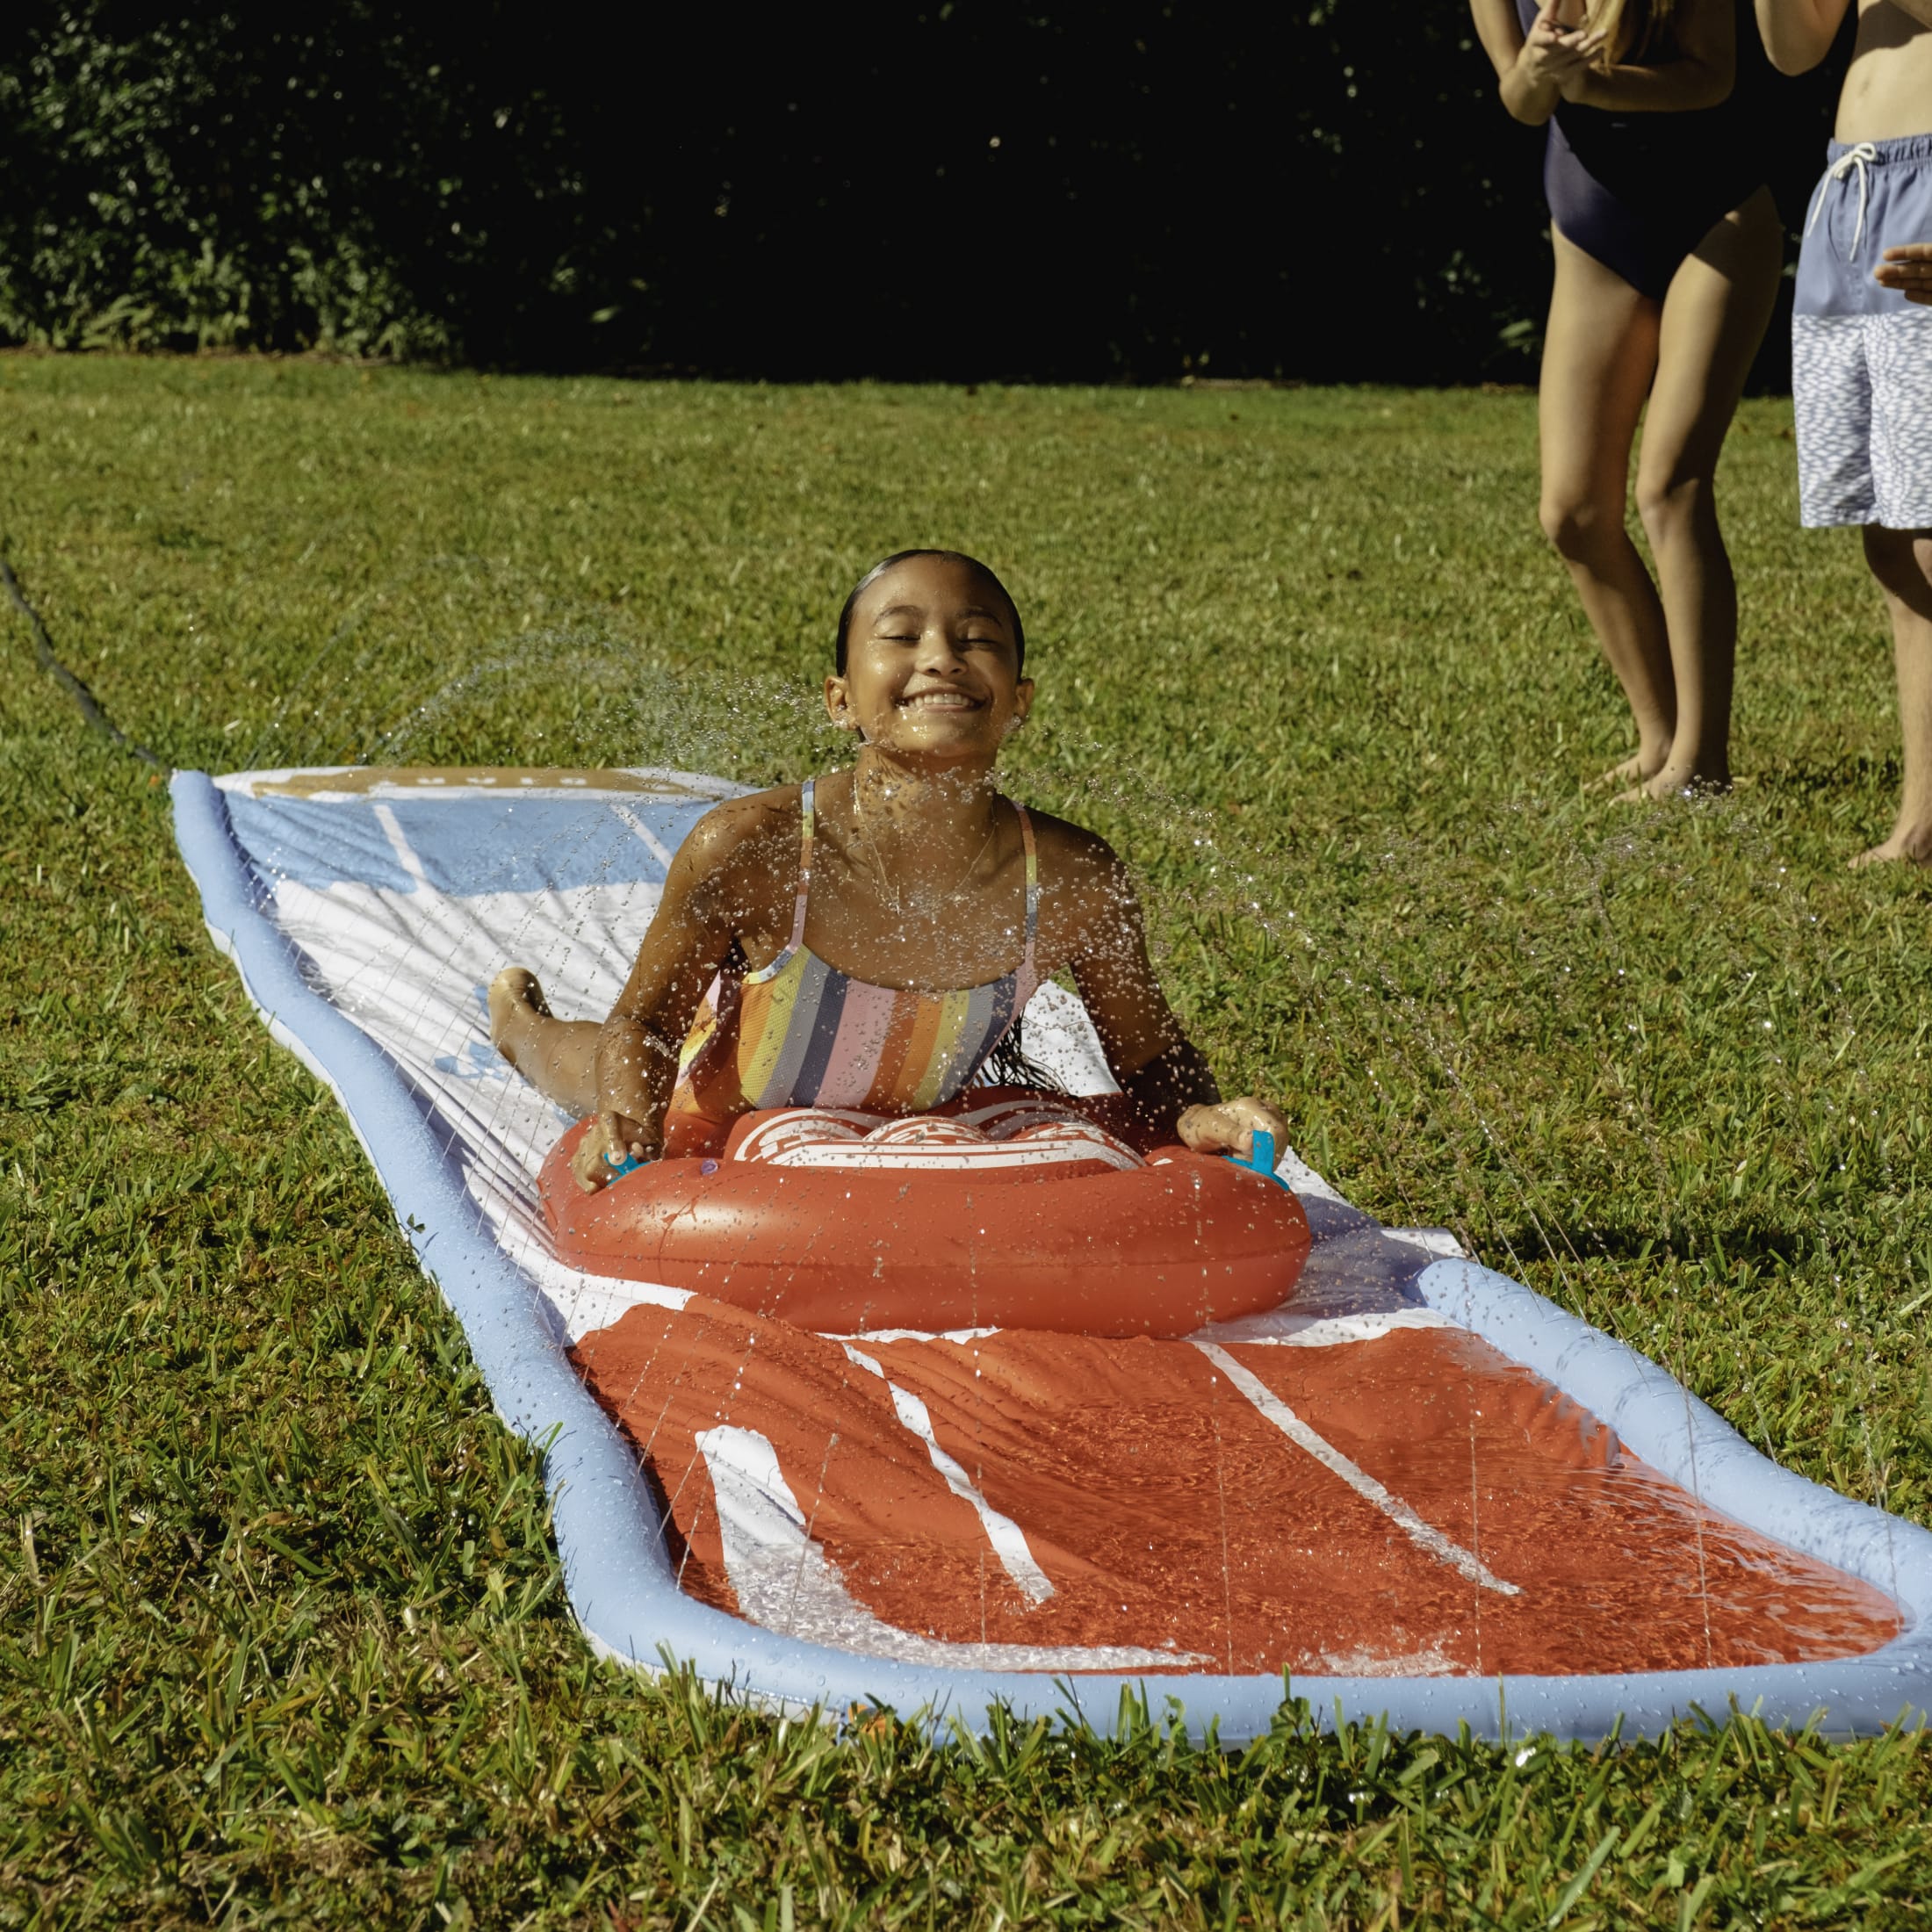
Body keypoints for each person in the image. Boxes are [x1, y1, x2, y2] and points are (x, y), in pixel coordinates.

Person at [489, 549, 1290, 1192]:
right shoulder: (754, 848)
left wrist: (1198, 1114)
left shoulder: (1073, 877)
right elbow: (650, 1024)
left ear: (1019, 699)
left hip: (909, 1124)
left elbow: (1149, 1057)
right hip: (721, 1103)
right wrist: (627, 1118)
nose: (942, 657)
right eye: (902, 636)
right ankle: (518, 1027)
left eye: (977, 639)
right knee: (586, 1064)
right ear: (840, 700)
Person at [1470, 0, 1785, 798]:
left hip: (1716, 213)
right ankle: (1659, 740)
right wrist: (1540, 74)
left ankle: (1700, 765)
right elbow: (1518, 100)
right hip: (1593, 221)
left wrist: (1595, 85)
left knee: (1670, 486)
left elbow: (1712, 77)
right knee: (1573, 513)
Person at [1755, 0, 1932, 865]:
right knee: (1892, 540)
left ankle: (1925, 819)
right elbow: (1794, 50)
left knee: (1930, 535)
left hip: (1927, 191)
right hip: (1851, 193)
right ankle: (1923, 815)